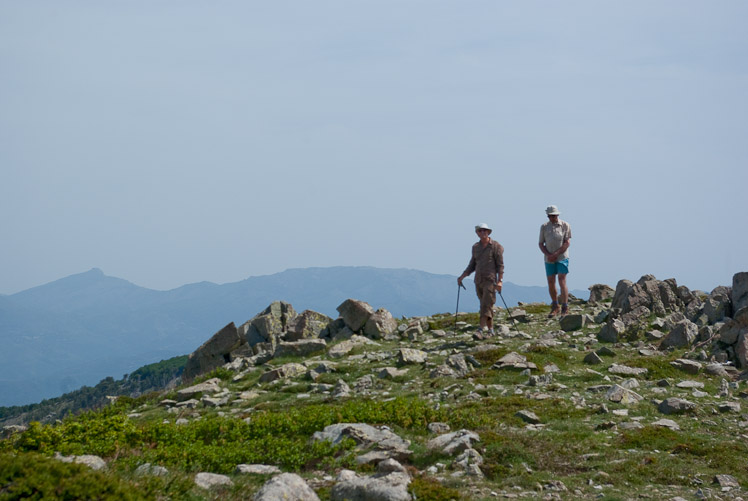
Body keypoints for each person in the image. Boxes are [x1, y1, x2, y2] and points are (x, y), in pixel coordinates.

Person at [458, 223, 504, 337]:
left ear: (488, 232)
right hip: (478, 281)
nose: (482, 232)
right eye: (480, 231)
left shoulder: (496, 246)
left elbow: (500, 265)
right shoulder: (475, 247)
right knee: (485, 306)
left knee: (485, 305)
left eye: (485, 230)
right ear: (477, 233)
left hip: (490, 280)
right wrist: (462, 276)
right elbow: (472, 265)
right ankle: (491, 330)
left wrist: (500, 281)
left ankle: (480, 330)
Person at [538, 205, 572, 317]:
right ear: (548, 216)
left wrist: (556, 254)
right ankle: (555, 305)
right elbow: (541, 243)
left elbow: (567, 242)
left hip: (562, 257)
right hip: (549, 258)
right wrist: (548, 255)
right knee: (551, 281)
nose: (553, 218)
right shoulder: (544, 227)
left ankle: (565, 306)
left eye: (555, 215)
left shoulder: (565, 225)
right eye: (551, 216)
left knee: (562, 280)